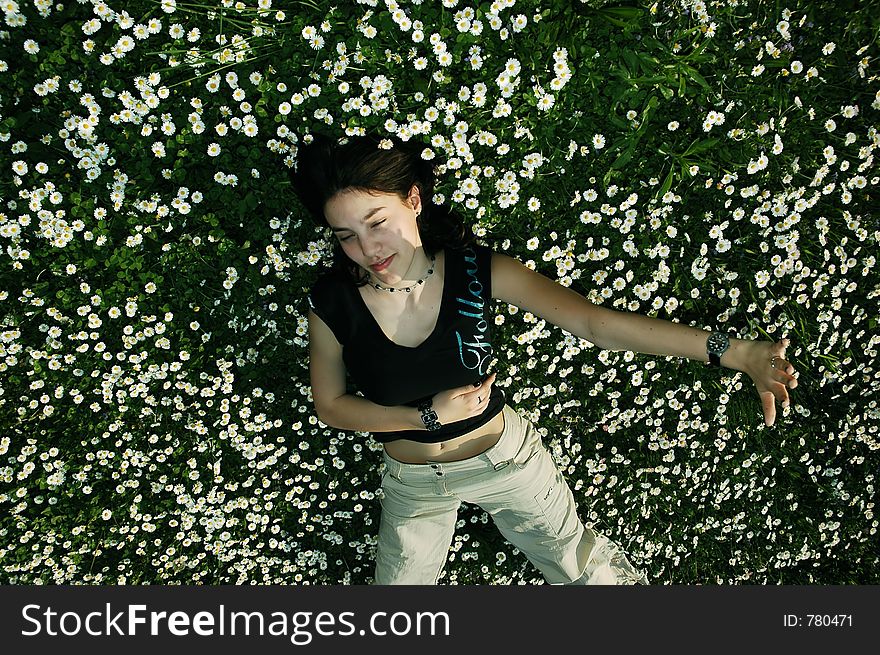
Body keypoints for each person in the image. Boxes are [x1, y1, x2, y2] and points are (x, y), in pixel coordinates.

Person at [292, 133, 799, 585]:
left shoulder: (477, 271)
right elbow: (331, 405)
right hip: (414, 482)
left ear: (413, 199)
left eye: (377, 223)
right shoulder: (331, 303)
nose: (368, 247)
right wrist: (422, 418)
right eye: (345, 236)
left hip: (505, 460)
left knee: (577, 568)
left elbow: (594, 324)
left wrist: (734, 352)